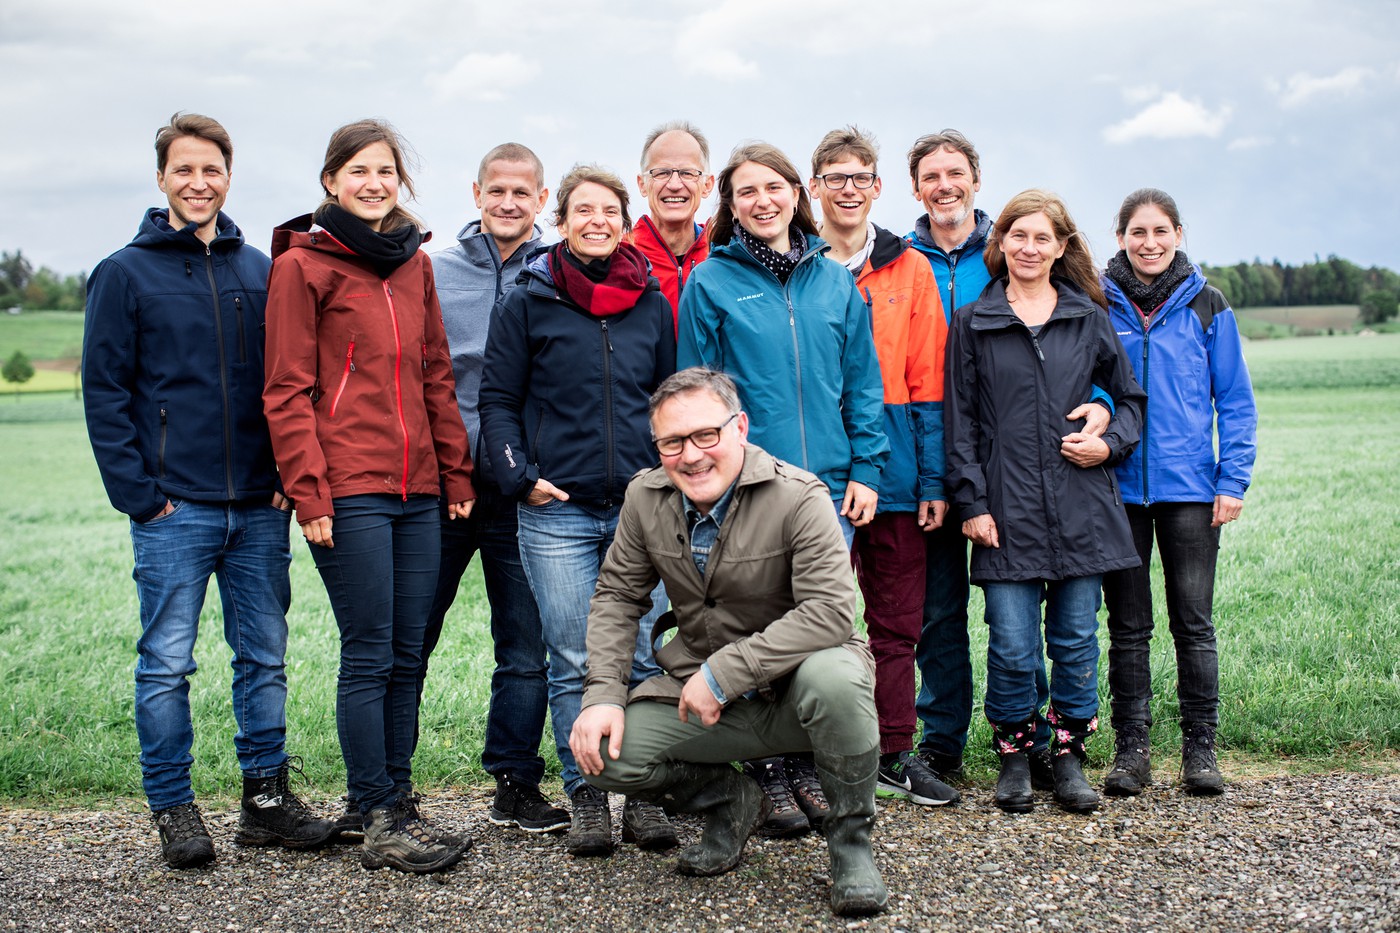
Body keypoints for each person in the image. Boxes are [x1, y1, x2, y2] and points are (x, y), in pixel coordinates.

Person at [82, 112, 336, 870]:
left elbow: (291, 382)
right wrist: (141, 495)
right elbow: (105, 393)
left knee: (263, 656)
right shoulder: (123, 273)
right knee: (166, 662)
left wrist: (289, 480)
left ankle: (265, 803)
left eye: (212, 170)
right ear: (161, 177)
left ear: (229, 176)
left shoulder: (261, 269)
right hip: (174, 507)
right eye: (184, 170)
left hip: (259, 504)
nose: (199, 183)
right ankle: (173, 806)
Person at [569, 368, 887, 918]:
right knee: (605, 758)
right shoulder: (645, 498)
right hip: (706, 700)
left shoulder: (800, 495)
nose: (690, 456)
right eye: (672, 442)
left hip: (796, 691)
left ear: (739, 427)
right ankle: (734, 800)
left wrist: (724, 674)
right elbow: (619, 595)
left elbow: (831, 612)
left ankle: (851, 845)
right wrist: (601, 695)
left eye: (705, 436)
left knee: (837, 677)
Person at [263, 119, 475, 874]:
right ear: (331, 181)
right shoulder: (303, 267)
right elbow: (286, 390)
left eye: (386, 171)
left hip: (419, 489)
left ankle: (391, 800)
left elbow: (435, 373)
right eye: (358, 171)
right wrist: (309, 490)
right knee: (371, 651)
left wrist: (455, 471)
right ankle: (378, 814)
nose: (374, 183)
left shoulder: (413, 265)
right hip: (348, 489)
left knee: (410, 650)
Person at [678, 141, 888, 835]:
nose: (763, 201)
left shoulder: (834, 281)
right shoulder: (710, 281)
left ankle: (804, 759)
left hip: (828, 490)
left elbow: (862, 383)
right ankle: (765, 768)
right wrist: (710, 482)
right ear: (731, 205)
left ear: (796, 194)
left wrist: (866, 468)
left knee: (818, 625)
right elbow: (696, 395)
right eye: (747, 192)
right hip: (746, 489)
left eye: (774, 187)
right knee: (751, 626)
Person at [478, 164, 678, 857]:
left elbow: (670, 398)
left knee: (648, 655)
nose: (597, 219)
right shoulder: (528, 300)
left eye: (610, 210)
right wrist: (519, 477)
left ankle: (646, 794)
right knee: (569, 656)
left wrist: (666, 472)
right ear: (561, 220)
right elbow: (497, 400)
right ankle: (587, 794)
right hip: (555, 511)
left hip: (640, 508)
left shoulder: (651, 301)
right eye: (583, 209)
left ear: (625, 221)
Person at [905, 130, 1110, 789]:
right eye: (931, 174)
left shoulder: (1070, 304)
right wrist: (970, 496)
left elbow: (1114, 385)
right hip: (973, 487)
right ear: (915, 187)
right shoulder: (914, 272)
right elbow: (959, 408)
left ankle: (1057, 750)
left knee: (1063, 636)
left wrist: (1106, 418)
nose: (1028, 247)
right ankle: (974, 746)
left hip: (1064, 496)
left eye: (956, 171)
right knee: (979, 630)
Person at [944, 189, 1146, 814]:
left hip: (1081, 505)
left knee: (1077, 641)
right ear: (999, 243)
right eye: (1018, 236)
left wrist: (1108, 441)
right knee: (1010, 645)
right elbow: (961, 424)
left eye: (1043, 239)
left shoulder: (1087, 316)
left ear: (1061, 249)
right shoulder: (974, 322)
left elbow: (1130, 401)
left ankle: (1068, 756)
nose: (1030, 248)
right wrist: (972, 503)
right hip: (1004, 510)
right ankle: (1013, 755)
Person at [416, 143, 569, 834]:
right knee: (409, 636)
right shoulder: (433, 272)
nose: (508, 202)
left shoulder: (558, 273)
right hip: (440, 486)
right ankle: (384, 785)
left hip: (522, 489)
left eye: (522, 192)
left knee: (523, 642)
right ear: (476, 192)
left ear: (542, 200)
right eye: (496, 190)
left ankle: (515, 781)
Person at [807, 127, 958, 808]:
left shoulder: (911, 269)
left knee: (896, 621)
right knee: (813, 619)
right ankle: (812, 755)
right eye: (833, 176)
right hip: (813, 471)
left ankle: (895, 751)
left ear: (877, 187)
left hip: (895, 473)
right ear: (814, 187)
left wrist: (931, 480)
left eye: (858, 177)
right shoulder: (797, 265)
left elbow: (929, 382)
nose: (846, 189)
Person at [1100, 188, 1257, 797]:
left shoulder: (1208, 305)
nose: (1150, 243)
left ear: (1179, 234)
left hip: (1191, 491)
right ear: (1120, 238)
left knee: (1194, 624)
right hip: (1116, 489)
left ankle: (1200, 751)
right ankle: (1132, 750)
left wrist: (1232, 479)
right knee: (1128, 626)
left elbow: (1235, 402)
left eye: (1161, 231)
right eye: (1138, 232)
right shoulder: (1098, 304)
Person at [629, 121, 715, 321]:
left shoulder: (723, 255)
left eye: (687, 173)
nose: (675, 185)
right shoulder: (621, 255)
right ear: (642, 184)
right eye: (661, 173)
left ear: (707, 185)